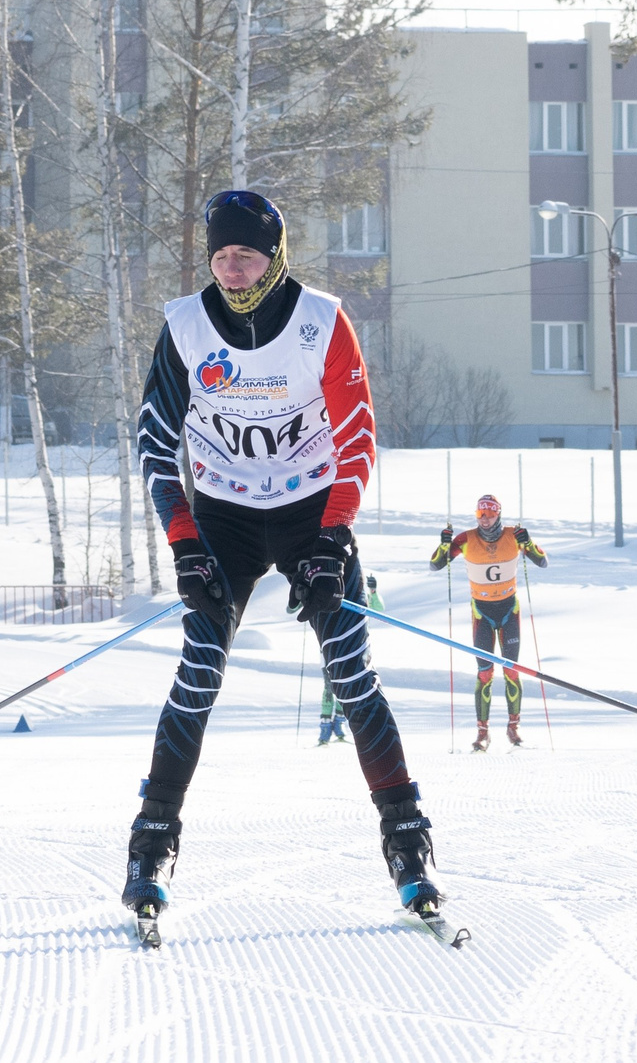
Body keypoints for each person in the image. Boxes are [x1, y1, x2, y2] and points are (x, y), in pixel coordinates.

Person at [119, 189, 442, 932]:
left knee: (352, 672)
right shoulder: (186, 327)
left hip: (310, 514)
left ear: (276, 255)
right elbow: (154, 445)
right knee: (199, 670)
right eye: (220, 255)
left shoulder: (321, 321)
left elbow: (358, 436)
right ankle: (152, 843)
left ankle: (408, 840)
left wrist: (332, 539)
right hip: (224, 521)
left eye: (247, 255)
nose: (232, 270)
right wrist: (183, 542)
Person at [429, 495, 549, 750]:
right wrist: (443, 544)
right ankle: (482, 732)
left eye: (490, 513)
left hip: (508, 611)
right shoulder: (465, 539)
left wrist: (529, 543)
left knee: (511, 670)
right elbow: (435, 565)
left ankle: (513, 728)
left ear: (498, 514)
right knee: (485, 673)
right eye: (480, 514)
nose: (485, 519)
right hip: (481, 613)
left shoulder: (514, 535)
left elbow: (542, 561)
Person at [291, 570, 384, 745]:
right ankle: (325, 729)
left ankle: (339, 726)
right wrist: (303, 593)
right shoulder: (330, 588)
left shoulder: (358, 592)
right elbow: (293, 608)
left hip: (355, 648)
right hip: (329, 649)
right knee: (329, 687)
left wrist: (373, 591)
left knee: (346, 687)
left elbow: (378, 609)